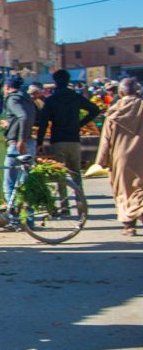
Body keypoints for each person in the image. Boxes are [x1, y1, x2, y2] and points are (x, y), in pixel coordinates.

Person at [38, 69, 101, 189]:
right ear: (68, 82)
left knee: (60, 174)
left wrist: (39, 142)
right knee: (76, 174)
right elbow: (95, 110)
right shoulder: (75, 97)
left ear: (55, 82)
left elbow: (43, 123)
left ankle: (64, 206)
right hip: (74, 140)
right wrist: (80, 124)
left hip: (58, 140)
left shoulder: (51, 100)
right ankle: (81, 202)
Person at [96, 78, 143, 235]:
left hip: (120, 157)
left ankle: (128, 225)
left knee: (123, 190)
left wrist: (101, 161)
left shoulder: (114, 111)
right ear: (137, 91)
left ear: (121, 93)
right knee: (140, 189)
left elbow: (106, 139)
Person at [0, 76, 38, 200]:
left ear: (7, 87)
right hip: (30, 143)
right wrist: (10, 124)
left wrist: (21, 140)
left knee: (9, 184)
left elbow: (23, 116)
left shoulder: (12, 99)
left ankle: (13, 216)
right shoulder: (27, 99)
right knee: (25, 183)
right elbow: (30, 117)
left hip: (17, 145)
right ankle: (28, 216)